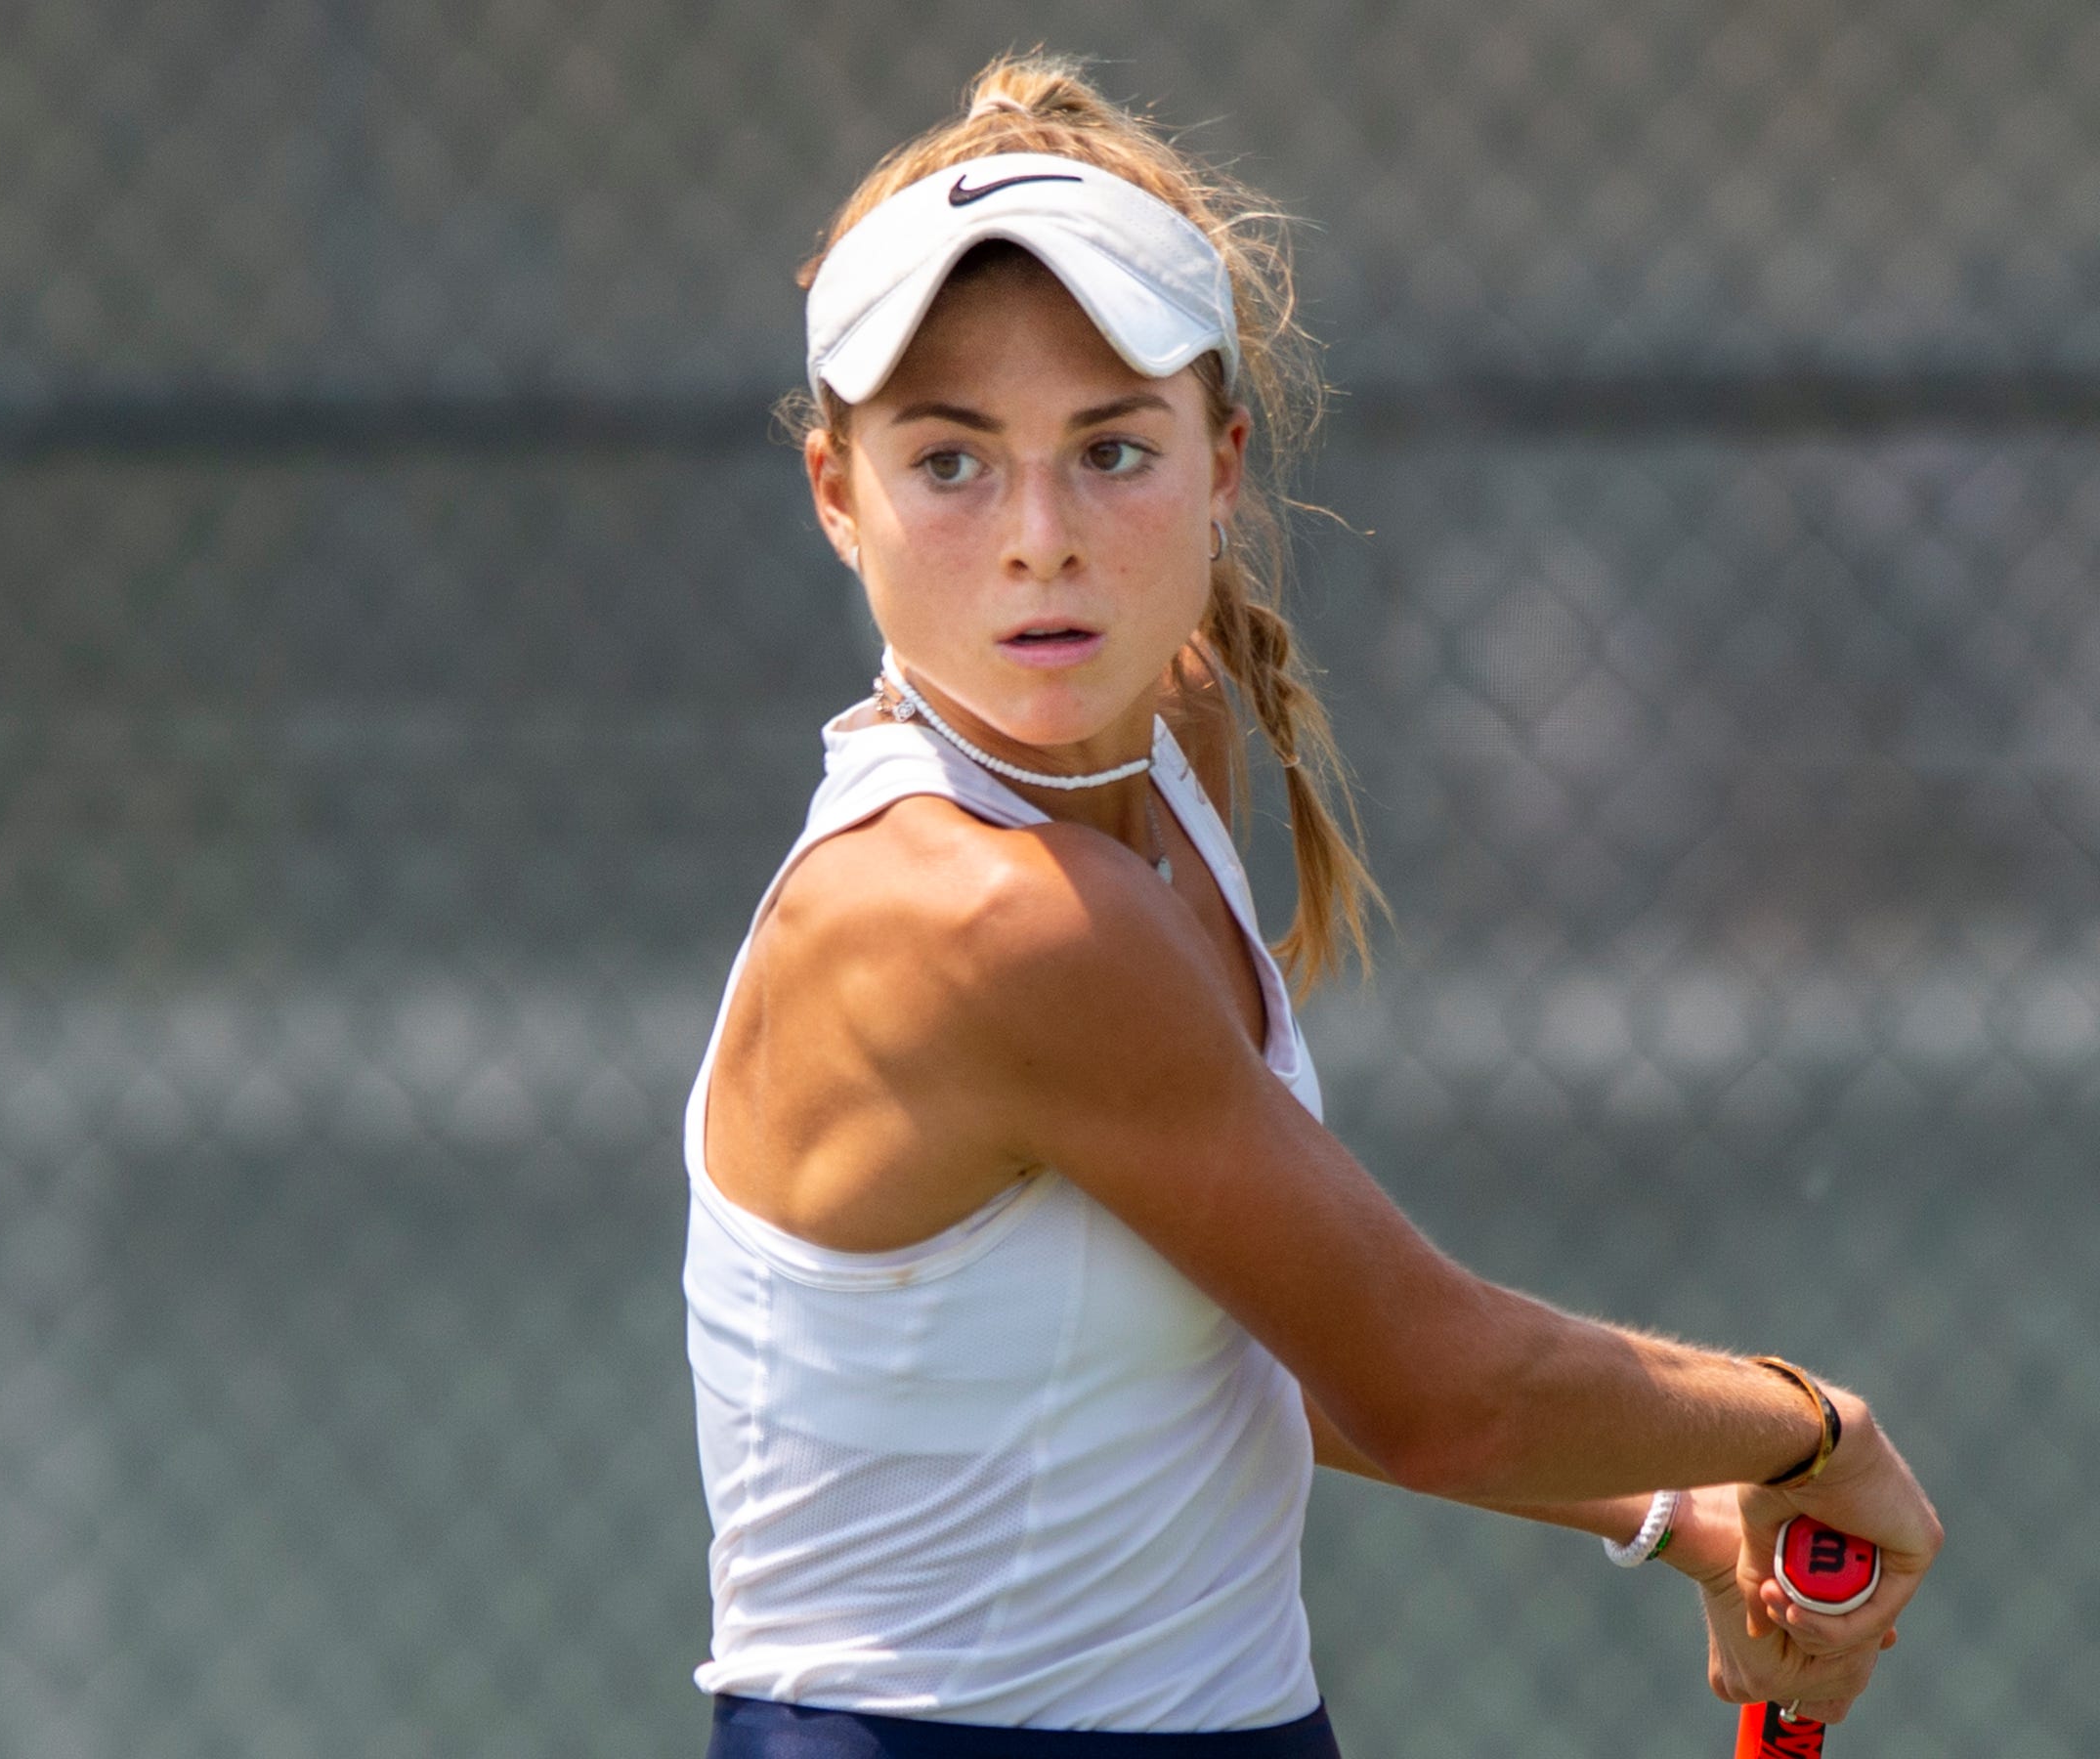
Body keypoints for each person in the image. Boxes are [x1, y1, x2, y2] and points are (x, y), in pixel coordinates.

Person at [682, 53, 1940, 1757]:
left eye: (1111, 450)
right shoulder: (983, 920)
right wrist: (1805, 1433)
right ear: (841, 496)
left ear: (1221, 465)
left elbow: (1238, 1327)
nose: (1040, 538)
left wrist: (1678, 1514)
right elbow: (1426, 1391)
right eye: (953, 464)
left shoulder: (1167, 740)